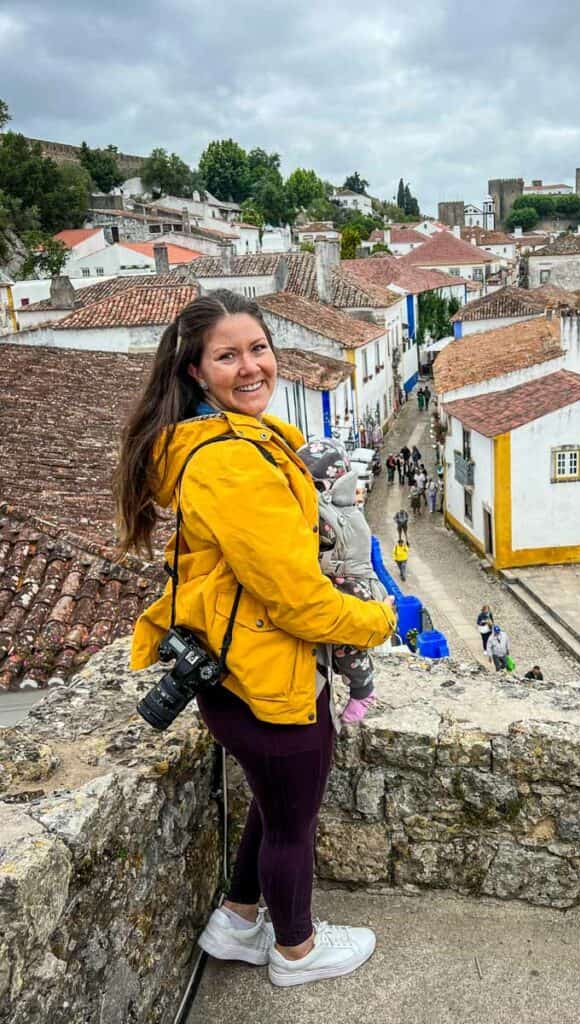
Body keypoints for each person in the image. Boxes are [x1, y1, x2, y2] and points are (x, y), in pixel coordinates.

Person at [116, 291, 396, 988]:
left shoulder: (233, 440)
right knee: (292, 824)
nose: (250, 367)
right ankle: (295, 953)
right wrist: (377, 621)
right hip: (267, 676)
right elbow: (296, 599)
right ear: (195, 372)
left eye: (257, 349)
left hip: (235, 670)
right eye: (227, 356)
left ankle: (239, 921)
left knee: (275, 809)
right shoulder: (231, 463)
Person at [297, 438, 388, 725]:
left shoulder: (328, 513)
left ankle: (363, 691)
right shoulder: (342, 505)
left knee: (346, 643)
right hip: (348, 582)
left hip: (350, 587)